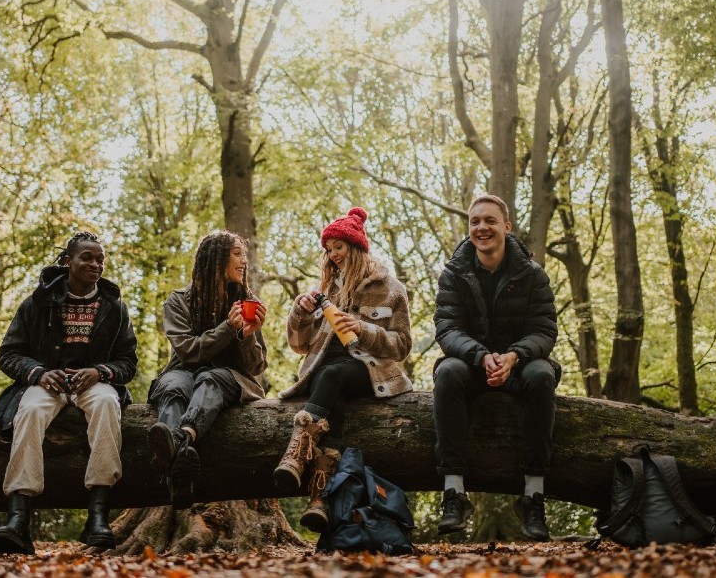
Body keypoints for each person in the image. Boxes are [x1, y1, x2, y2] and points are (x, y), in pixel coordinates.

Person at [0, 232, 139, 554]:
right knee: (28, 412)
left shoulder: (115, 308)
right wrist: (39, 373)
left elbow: (128, 362)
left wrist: (100, 372)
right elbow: (8, 354)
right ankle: (18, 519)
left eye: (100, 259)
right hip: (46, 383)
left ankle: (97, 518)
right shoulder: (36, 303)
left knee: (107, 404)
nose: (95, 264)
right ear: (67, 261)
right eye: (87, 257)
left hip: (94, 384)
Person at [275, 207, 414, 532]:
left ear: (356, 247)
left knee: (333, 375)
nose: (333, 254)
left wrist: (365, 331)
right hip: (326, 378)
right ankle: (319, 499)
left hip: (370, 373)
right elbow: (299, 344)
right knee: (330, 383)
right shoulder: (325, 290)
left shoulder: (390, 287)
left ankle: (297, 451)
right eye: (329, 249)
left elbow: (403, 344)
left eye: (338, 247)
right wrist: (300, 313)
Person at [432, 194, 560, 540]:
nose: (481, 228)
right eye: (475, 222)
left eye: (489, 221)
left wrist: (515, 356)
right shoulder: (454, 273)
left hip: (520, 365)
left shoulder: (533, 275)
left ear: (506, 226)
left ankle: (533, 497)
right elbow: (447, 328)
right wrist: (480, 356)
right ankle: (454, 494)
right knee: (447, 372)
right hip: (473, 365)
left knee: (542, 375)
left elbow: (545, 329)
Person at [148, 230, 268, 508]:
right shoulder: (178, 301)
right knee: (174, 386)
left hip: (230, 378)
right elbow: (188, 352)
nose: (244, 261)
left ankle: (180, 439)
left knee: (210, 377)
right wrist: (227, 328)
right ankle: (179, 478)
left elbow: (257, 366)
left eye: (245, 255)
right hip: (183, 370)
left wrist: (248, 335)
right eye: (237, 254)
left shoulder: (246, 301)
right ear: (216, 260)